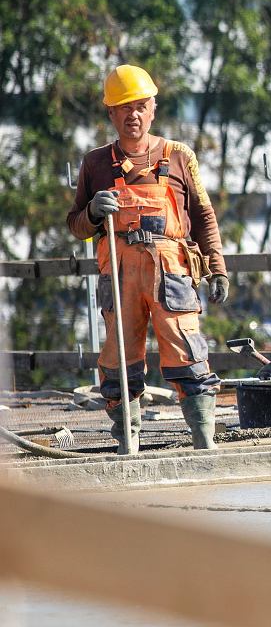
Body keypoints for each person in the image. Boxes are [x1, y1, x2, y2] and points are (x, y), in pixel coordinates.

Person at [67, 65, 227, 453]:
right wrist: (91, 212)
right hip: (120, 277)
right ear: (111, 113)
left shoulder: (179, 156)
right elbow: (76, 226)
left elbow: (204, 216)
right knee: (119, 361)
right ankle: (127, 440)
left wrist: (217, 267)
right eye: (123, 107)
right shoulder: (96, 163)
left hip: (170, 273)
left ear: (153, 108)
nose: (132, 115)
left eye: (140, 106)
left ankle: (204, 440)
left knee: (186, 351)